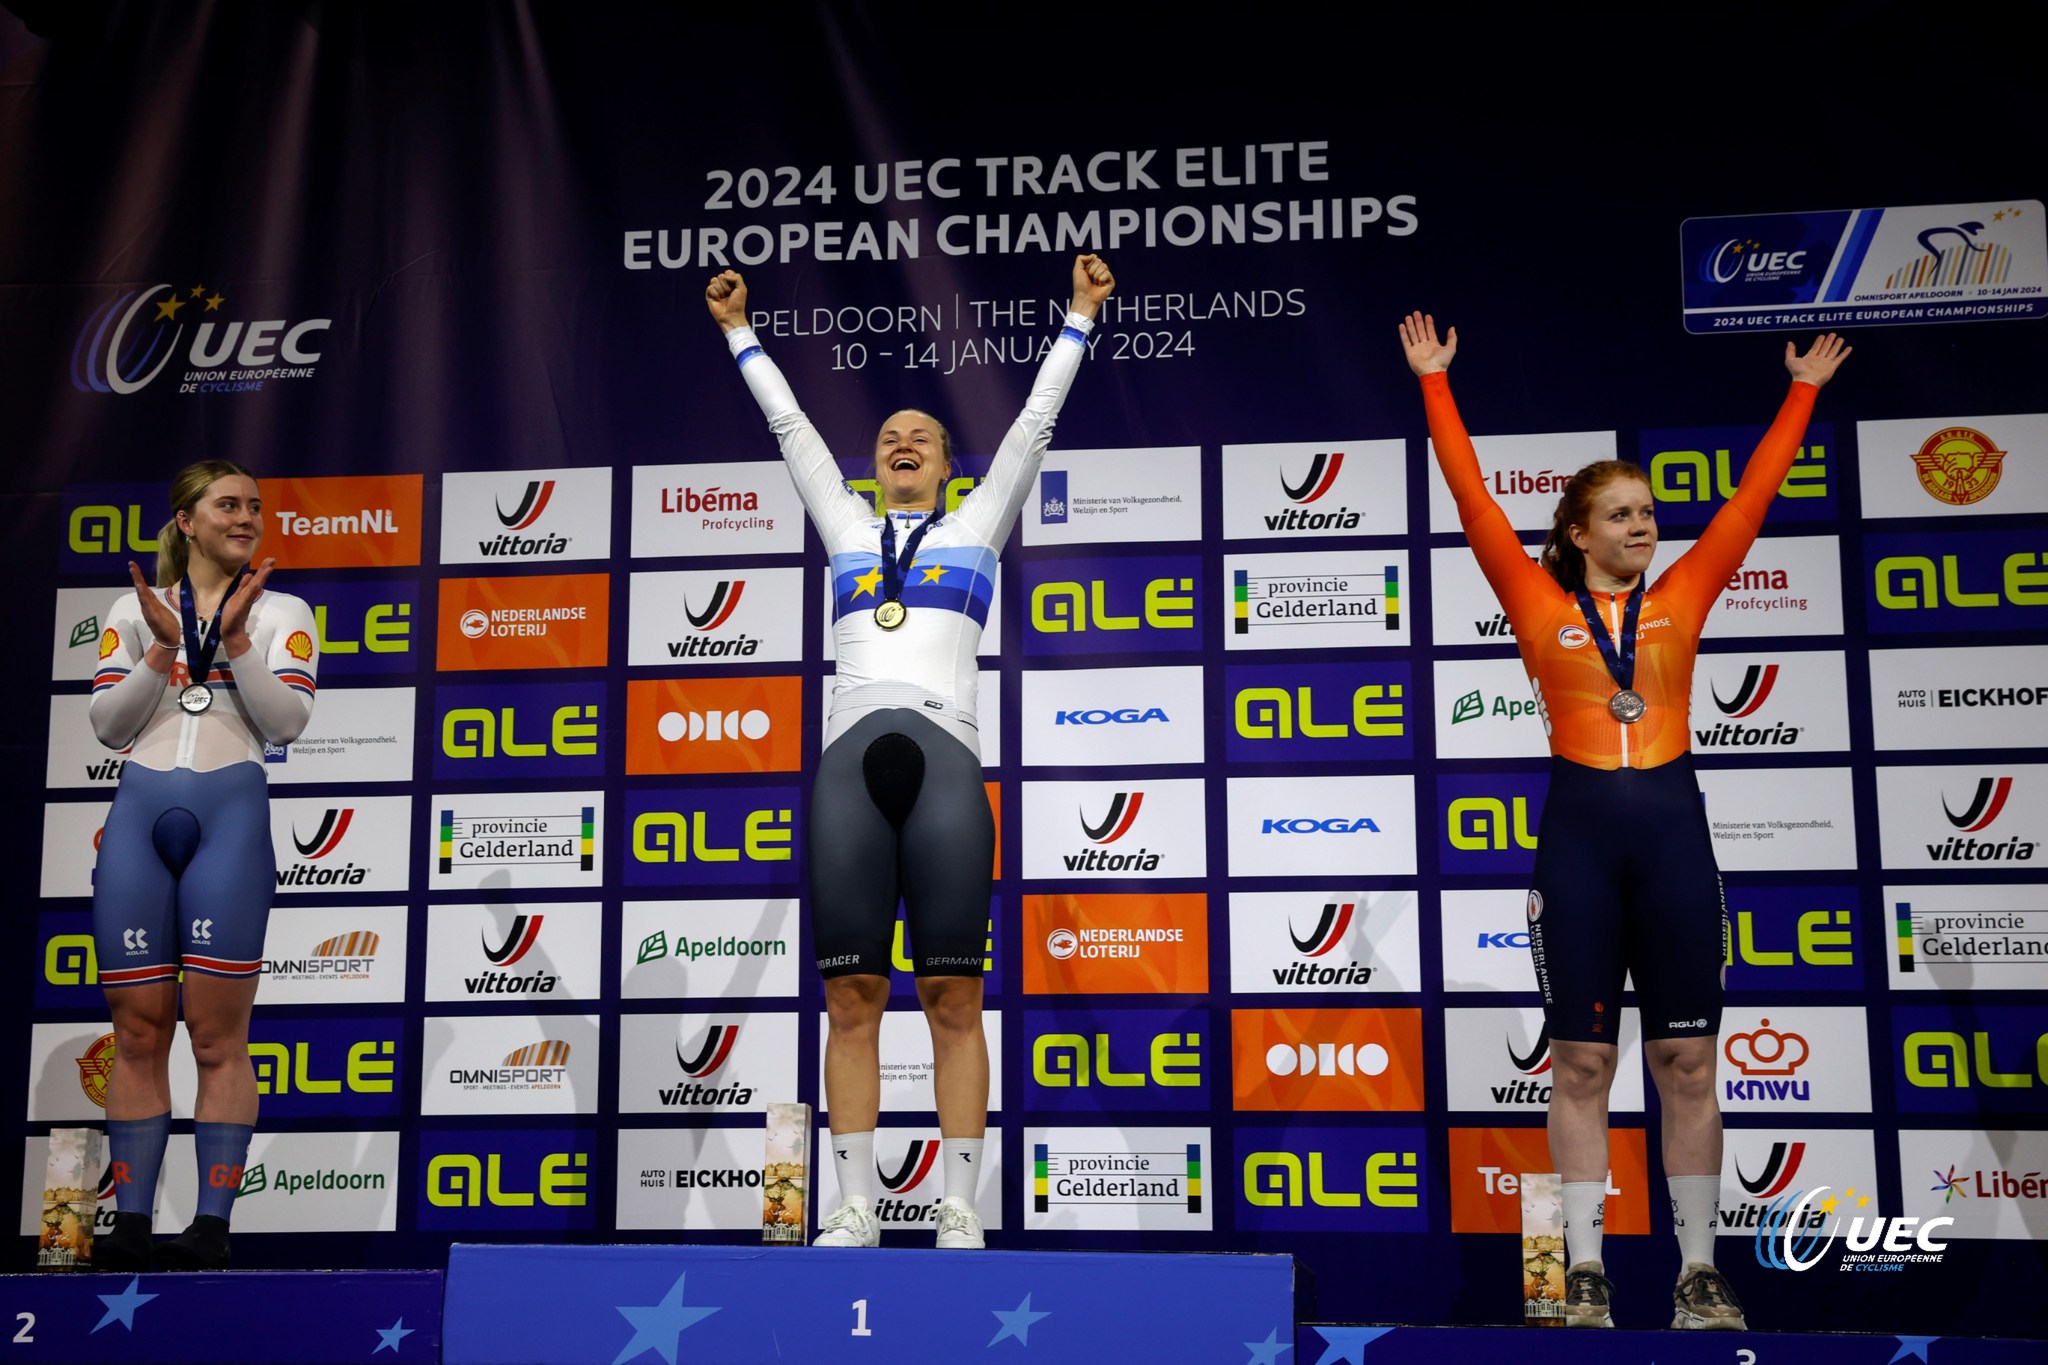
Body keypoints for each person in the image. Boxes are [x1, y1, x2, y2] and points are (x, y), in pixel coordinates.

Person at [1400, 313, 1849, 1329]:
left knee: (1688, 1061)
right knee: (1580, 1062)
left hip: (1674, 841)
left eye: (1646, 512)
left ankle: (1697, 1274)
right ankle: (1582, 1275)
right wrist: (1435, 383)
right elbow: (1470, 499)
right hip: (1577, 844)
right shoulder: (1529, 597)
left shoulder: (1683, 593)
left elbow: (1751, 499)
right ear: (1575, 532)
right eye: (1619, 514)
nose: (1643, 525)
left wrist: (1800, 394)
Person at [706, 255, 1115, 1249]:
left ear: (944, 465)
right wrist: (737, 333)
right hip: (848, 766)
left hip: (946, 764)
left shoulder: (977, 528)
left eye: (919, 438)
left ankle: (957, 1209)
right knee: (849, 997)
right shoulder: (843, 528)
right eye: (888, 437)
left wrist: (1078, 318)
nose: (900, 443)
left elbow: (1030, 430)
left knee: (951, 994)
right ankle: (851, 1207)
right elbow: (790, 430)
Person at [87, 461, 319, 1270]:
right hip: (139, 815)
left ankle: (213, 1223)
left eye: (255, 505)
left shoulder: (285, 608)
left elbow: (287, 718)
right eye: (228, 504)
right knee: (136, 1028)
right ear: (186, 521)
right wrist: (158, 649)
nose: (247, 516)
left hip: (231, 818)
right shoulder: (132, 607)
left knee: (218, 1035)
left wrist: (239, 640)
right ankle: (132, 1223)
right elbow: (107, 728)